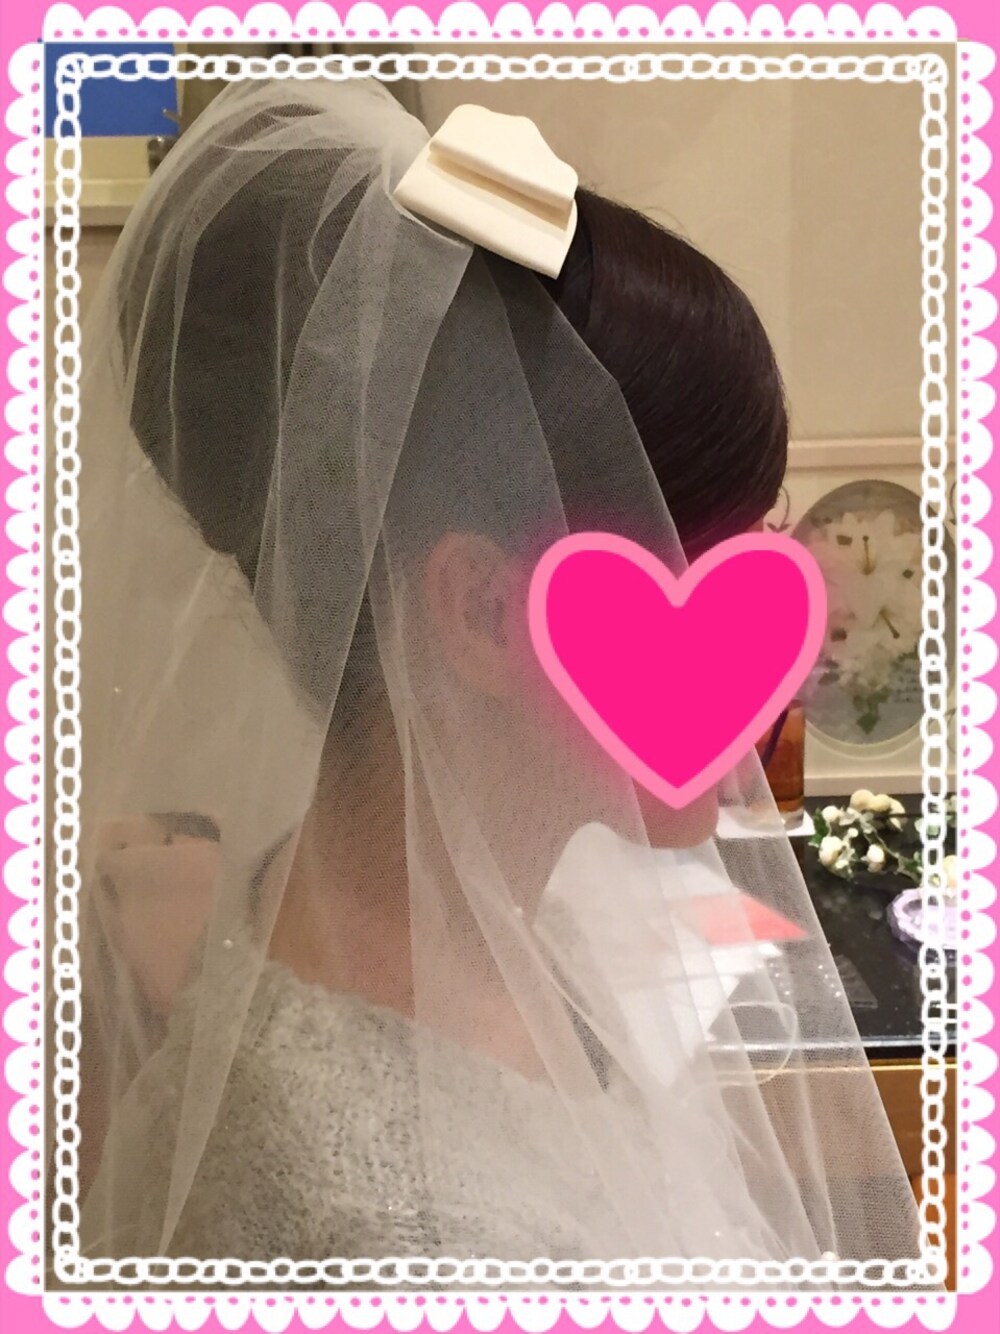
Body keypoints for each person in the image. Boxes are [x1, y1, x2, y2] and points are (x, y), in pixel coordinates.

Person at [63, 73, 921, 1286]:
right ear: (480, 609)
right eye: (706, 565)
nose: (772, 661)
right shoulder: (399, 1234)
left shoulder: (472, 912)